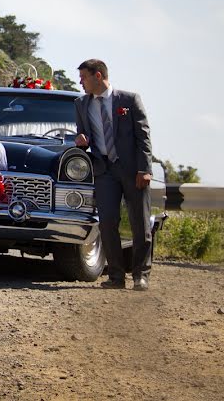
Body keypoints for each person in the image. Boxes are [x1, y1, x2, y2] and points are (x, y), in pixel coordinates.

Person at [74, 59, 153, 291]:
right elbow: (82, 138)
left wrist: (144, 169)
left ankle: (141, 275)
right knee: (107, 223)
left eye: (84, 77)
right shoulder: (80, 104)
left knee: (140, 224)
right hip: (104, 170)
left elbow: (143, 136)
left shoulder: (129, 100)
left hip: (132, 169)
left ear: (98, 76)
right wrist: (80, 143)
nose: (81, 82)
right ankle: (116, 276)